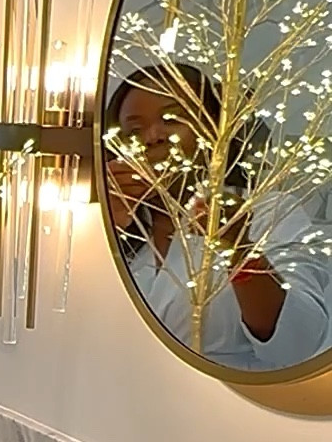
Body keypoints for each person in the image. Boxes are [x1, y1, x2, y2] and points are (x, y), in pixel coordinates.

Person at [104, 63, 332, 370]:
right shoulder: (108, 225)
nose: (153, 137)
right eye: (134, 130)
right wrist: (108, 230)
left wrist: (238, 250)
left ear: (214, 129)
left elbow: (296, 346)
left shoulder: (269, 212)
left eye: (172, 119)